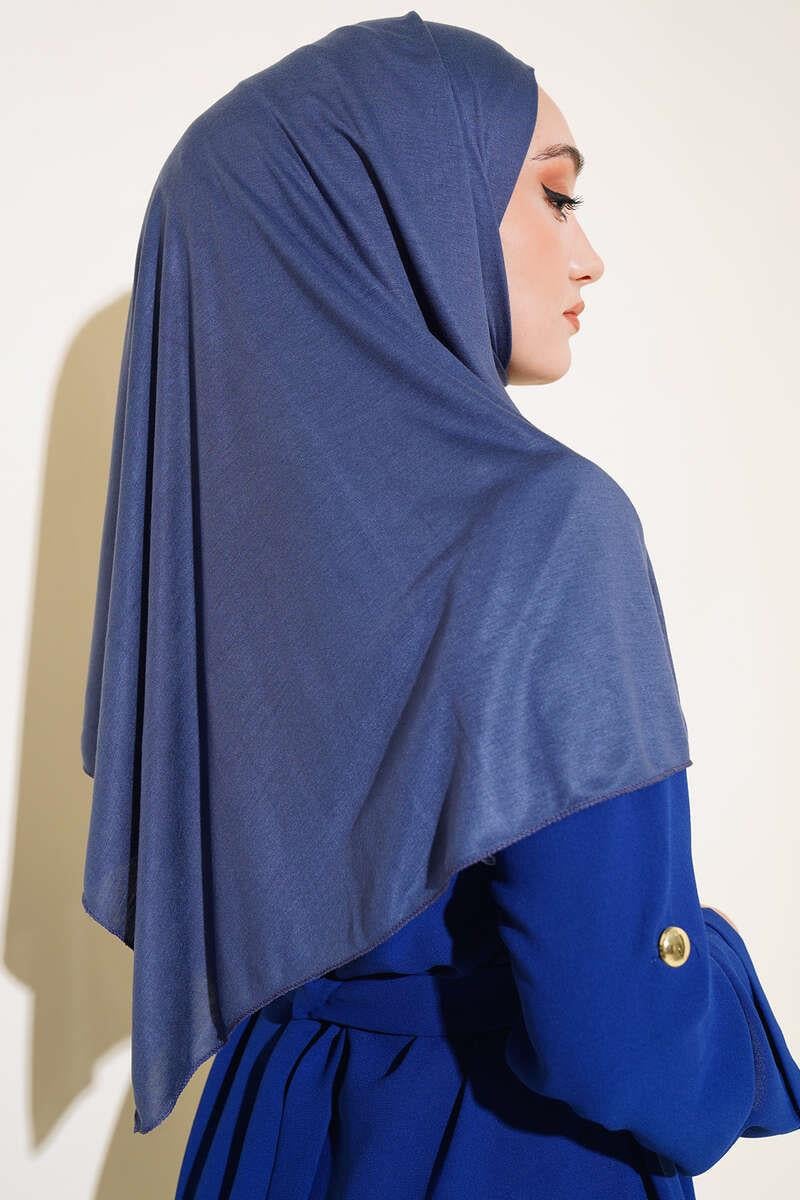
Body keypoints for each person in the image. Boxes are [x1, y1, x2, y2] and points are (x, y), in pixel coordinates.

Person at [78, 11, 800, 1198]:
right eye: (554, 196)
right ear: (409, 208)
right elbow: (617, 1026)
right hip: (497, 1147)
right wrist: (721, 1013)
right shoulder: (546, 525)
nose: (586, 255)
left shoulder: (229, 565)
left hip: (272, 1128)